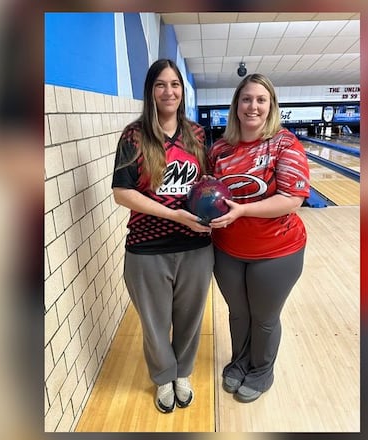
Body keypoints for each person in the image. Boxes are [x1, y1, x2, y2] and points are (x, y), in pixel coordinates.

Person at [111, 59, 214, 414]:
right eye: (160, 84)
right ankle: (163, 377)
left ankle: (182, 373)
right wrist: (174, 214)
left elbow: (210, 186)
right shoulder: (134, 135)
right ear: (150, 91)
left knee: (190, 318)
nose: (169, 92)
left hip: (196, 247)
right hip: (146, 247)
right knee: (155, 324)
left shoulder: (197, 135)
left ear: (182, 92)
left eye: (175, 84)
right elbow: (122, 192)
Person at [206, 73, 311, 403]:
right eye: (246, 99)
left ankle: (261, 369)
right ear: (236, 105)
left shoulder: (285, 144)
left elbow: (293, 199)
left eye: (260, 100)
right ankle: (239, 362)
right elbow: (211, 191)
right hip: (228, 249)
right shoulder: (220, 149)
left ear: (271, 106)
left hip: (276, 250)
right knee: (238, 313)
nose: (253, 106)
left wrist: (241, 211)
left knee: (264, 318)